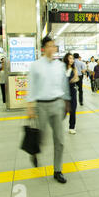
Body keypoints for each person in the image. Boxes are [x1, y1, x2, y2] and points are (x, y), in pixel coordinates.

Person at [27, 36, 71, 183]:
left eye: (54, 46)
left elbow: (64, 85)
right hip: (41, 106)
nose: (52, 48)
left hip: (57, 104)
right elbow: (31, 86)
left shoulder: (60, 65)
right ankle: (34, 152)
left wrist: (66, 102)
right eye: (49, 46)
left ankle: (57, 170)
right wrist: (30, 107)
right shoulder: (35, 65)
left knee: (59, 139)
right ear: (43, 49)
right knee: (41, 138)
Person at [63, 53, 79, 134]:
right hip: (63, 92)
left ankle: (71, 127)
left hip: (72, 91)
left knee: (73, 110)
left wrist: (74, 80)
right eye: (70, 58)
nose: (72, 60)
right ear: (66, 59)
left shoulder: (74, 69)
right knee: (63, 111)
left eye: (72, 58)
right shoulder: (62, 68)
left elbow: (77, 78)